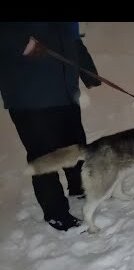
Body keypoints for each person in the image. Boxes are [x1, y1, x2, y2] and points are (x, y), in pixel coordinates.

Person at [0, 22, 101, 231]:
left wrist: (86, 68)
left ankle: (79, 187)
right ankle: (55, 213)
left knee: (74, 144)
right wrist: (19, 41)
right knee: (44, 154)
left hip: (65, 88)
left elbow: (71, 33)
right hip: (29, 92)